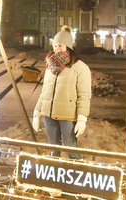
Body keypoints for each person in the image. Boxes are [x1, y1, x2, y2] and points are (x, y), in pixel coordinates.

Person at [32, 26, 92, 158]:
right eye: (55, 45)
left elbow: (84, 96)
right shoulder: (50, 65)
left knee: (71, 150)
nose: (56, 48)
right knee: (53, 150)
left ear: (68, 46)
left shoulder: (80, 67)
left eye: (60, 45)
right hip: (49, 114)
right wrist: (37, 112)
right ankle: (53, 176)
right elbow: (44, 92)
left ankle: (76, 174)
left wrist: (82, 118)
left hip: (68, 116)